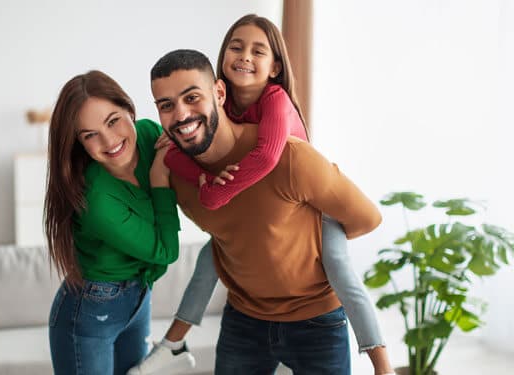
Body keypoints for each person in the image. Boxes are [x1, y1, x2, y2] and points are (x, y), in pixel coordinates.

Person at [128, 14, 393, 375]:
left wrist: (311, 244)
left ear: (217, 93)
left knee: (340, 266)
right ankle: (173, 342)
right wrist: (166, 168)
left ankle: (382, 365)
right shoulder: (182, 157)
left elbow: (365, 216)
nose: (181, 113)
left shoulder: (285, 137)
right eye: (166, 105)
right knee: (212, 255)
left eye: (192, 97)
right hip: (243, 321)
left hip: (317, 317)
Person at [44, 70, 181, 375]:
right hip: (93, 309)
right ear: (80, 144)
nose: (109, 140)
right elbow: (165, 250)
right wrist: (159, 179)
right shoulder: (96, 201)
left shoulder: (149, 134)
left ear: (129, 110)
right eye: (90, 135)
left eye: (113, 120)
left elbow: (194, 172)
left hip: (138, 298)